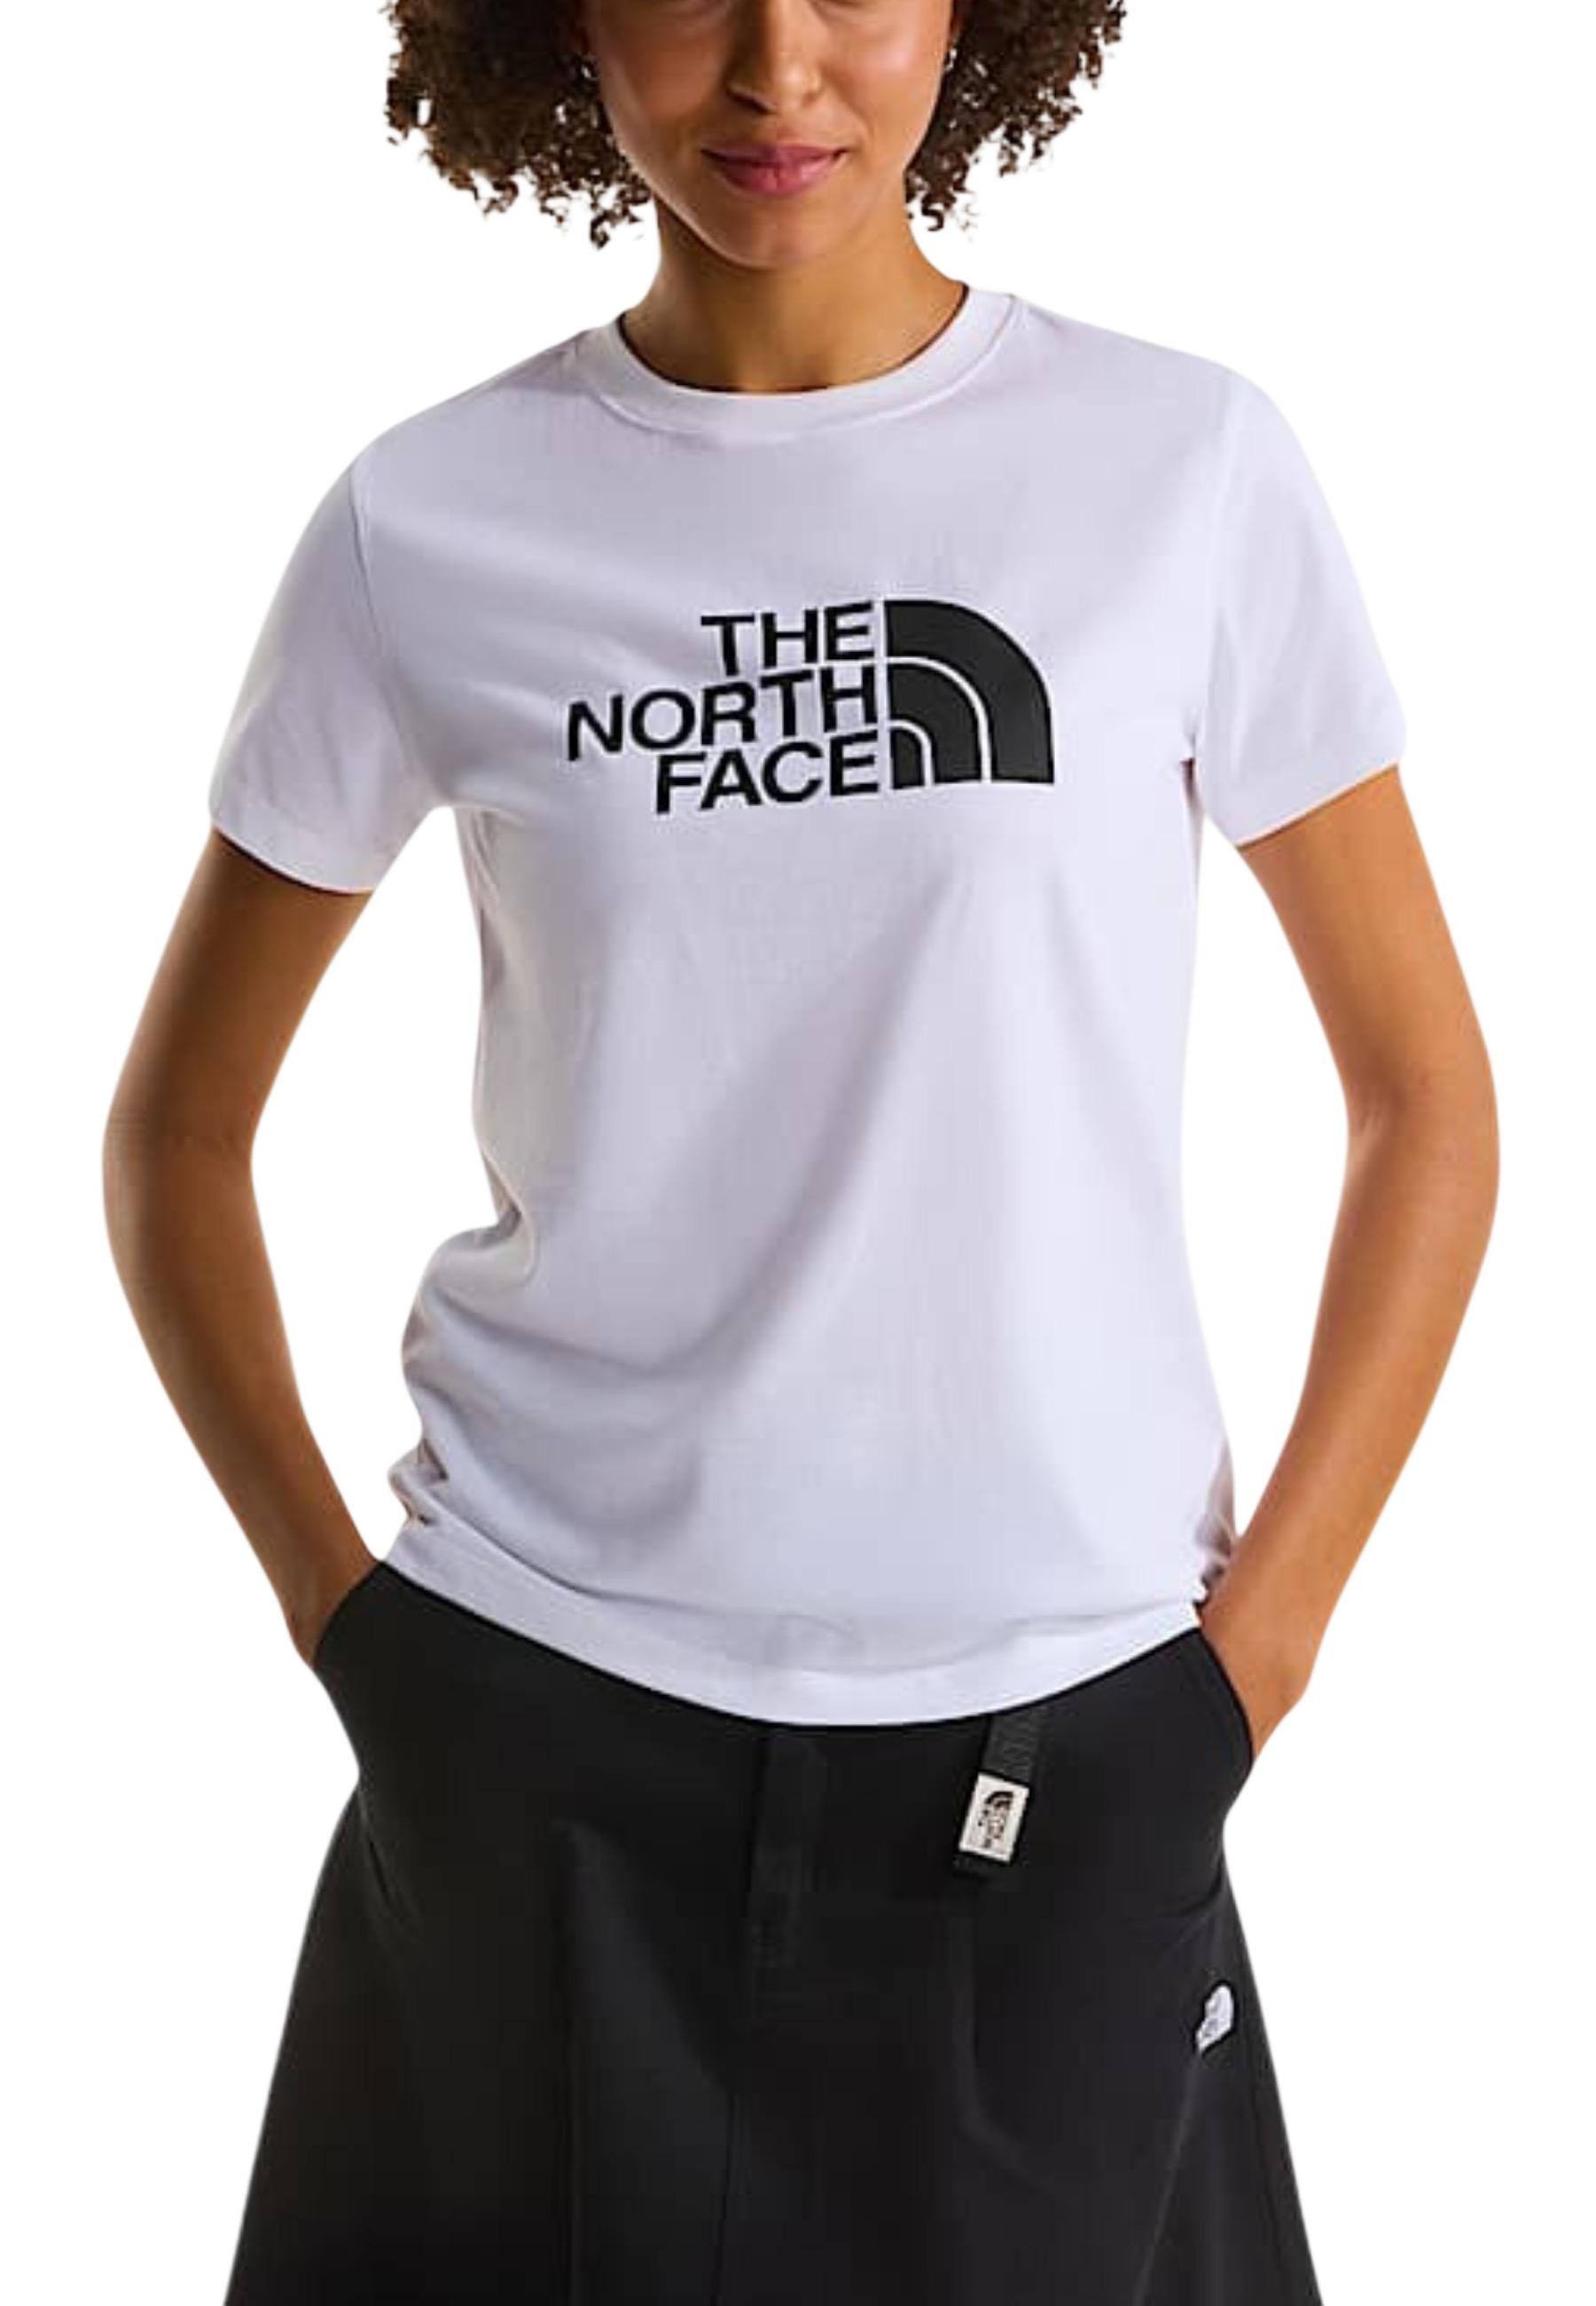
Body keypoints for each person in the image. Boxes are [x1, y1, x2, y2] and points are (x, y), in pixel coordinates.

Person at [103, 1, 1499, 2299]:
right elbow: (177, 1134)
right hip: (540, 1739)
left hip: (1065, 1758)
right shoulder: (426, 524)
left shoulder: (1181, 471)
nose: (778, 68)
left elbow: (1426, 1096)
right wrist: (353, 1633)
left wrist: (1256, 1663)